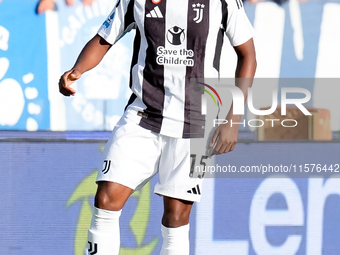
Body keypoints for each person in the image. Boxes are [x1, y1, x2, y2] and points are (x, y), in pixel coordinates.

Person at [59, 0, 256, 254]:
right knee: (106, 199)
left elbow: (248, 54)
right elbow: (103, 38)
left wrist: (233, 118)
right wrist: (77, 70)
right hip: (142, 116)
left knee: (175, 218)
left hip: (195, 125)